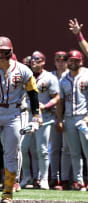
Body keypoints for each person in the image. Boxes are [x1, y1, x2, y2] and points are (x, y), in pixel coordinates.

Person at [0, 36, 41, 203]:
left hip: (14, 114)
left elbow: (33, 93)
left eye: (4, 52)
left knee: (11, 154)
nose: (1, 55)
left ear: (11, 52)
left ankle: (8, 193)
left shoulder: (23, 70)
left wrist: (36, 116)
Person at [57, 50, 88, 191]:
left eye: (76, 60)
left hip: (84, 117)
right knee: (74, 152)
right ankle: (79, 181)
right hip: (69, 118)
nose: (73, 62)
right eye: (71, 60)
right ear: (67, 61)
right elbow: (60, 101)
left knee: (87, 151)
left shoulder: (86, 74)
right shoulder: (63, 77)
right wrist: (60, 119)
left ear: (81, 61)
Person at [29, 51, 60, 189]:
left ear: (43, 61)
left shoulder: (49, 77)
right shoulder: (26, 75)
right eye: (32, 59)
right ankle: (28, 178)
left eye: (37, 59)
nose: (33, 61)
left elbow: (57, 97)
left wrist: (46, 105)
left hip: (44, 116)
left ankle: (44, 179)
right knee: (24, 149)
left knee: (42, 149)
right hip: (28, 116)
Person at [50, 51, 72, 190]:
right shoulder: (50, 75)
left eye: (63, 60)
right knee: (54, 149)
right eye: (58, 60)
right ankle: (53, 177)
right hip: (52, 116)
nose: (61, 62)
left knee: (68, 149)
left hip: (69, 116)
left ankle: (67, 178)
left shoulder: (71, 75)